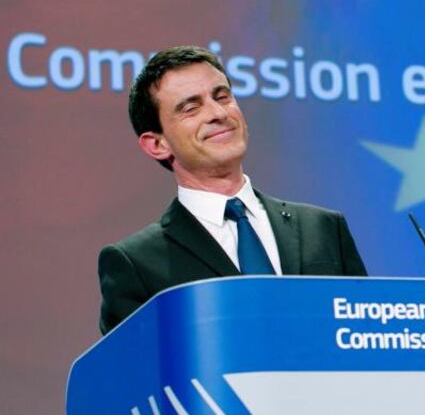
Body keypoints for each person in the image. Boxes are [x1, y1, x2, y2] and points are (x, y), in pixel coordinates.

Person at [98, 46, 367, 334]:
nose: (217, 113)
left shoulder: (324, 228)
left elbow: (370, 338)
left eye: (222, 96)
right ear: (157, 144)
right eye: (191, 108)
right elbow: (132, 374)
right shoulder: (136, 263)